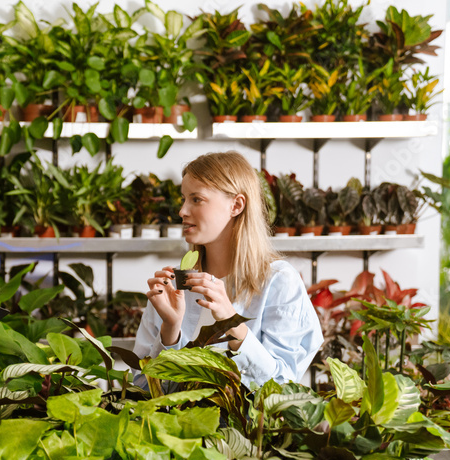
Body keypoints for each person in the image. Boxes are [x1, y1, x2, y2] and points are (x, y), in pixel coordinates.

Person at [133, 151, 322, 389]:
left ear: (236, 205)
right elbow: (139, 389)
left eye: (196, 199)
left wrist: (232, 323)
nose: (182, 211)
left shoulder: (279, 282)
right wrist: (170, 332)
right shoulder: (173, 285)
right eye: (183, 199)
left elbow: (282, 390)